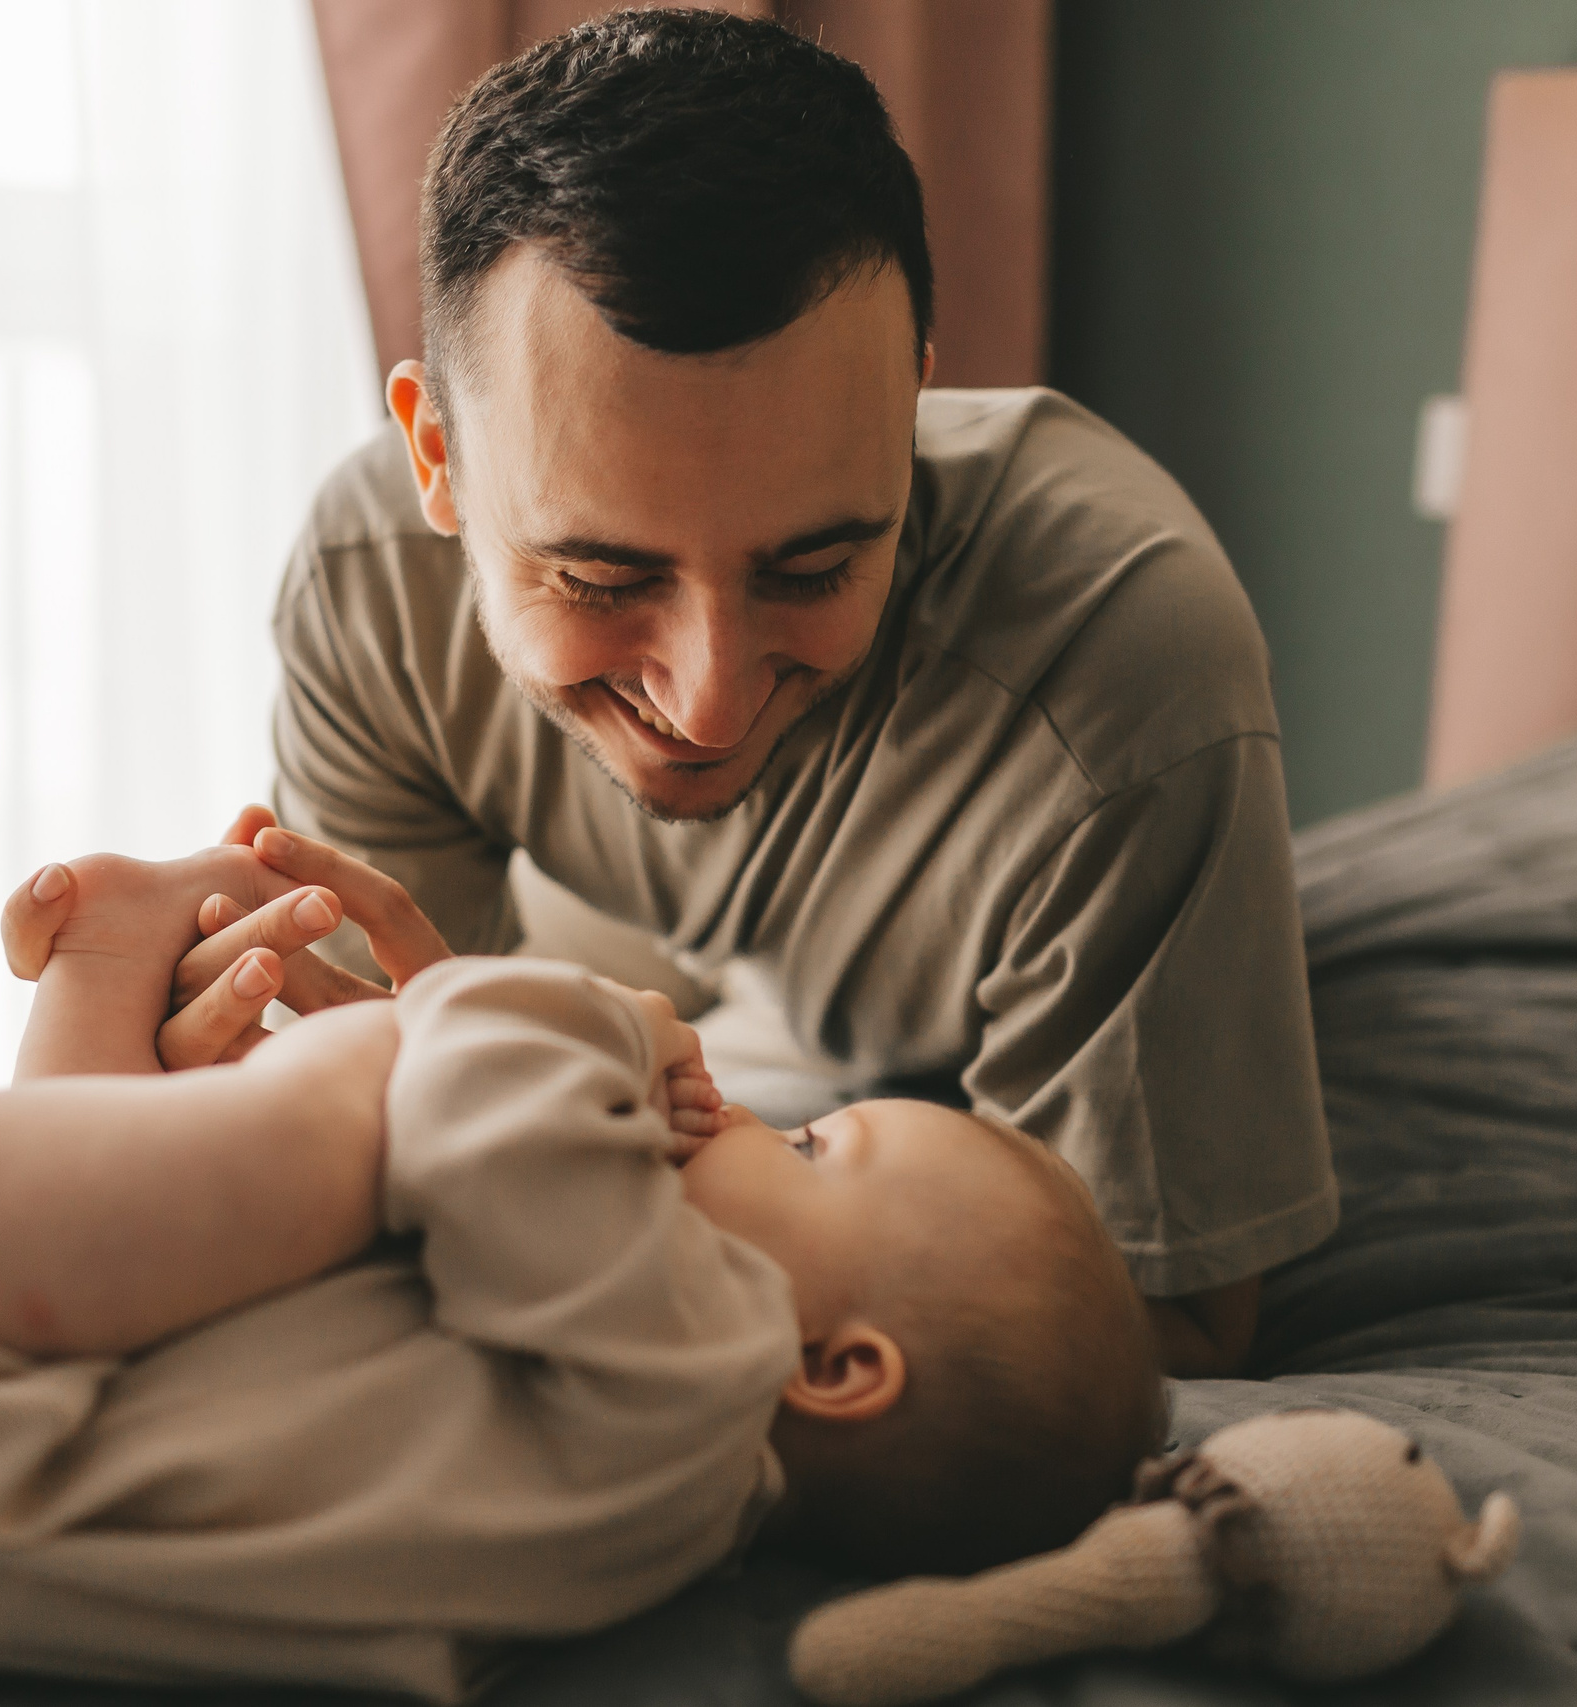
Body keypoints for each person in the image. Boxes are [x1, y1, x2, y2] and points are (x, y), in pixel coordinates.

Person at [136, 9, 1340, 1379]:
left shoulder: (1121, 662)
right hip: (616, 947)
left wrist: (657, 1144)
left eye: (816, 564)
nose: (706, 705)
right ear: (438, 461)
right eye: (598, 577)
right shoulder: (373, 590)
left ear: (911, 411)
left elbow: (1160, 1332)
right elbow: (357, 1125)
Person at [0, 841, 1166, 1702]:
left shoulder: (689, 1367)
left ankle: (82, 998)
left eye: (814, 1152)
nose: (747, 1112)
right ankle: (116, 963)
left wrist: (591, 1016)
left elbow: (476, 1106)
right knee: (301, 1226)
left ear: (832, 1366)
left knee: (378, 1080)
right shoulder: (630, 1496)